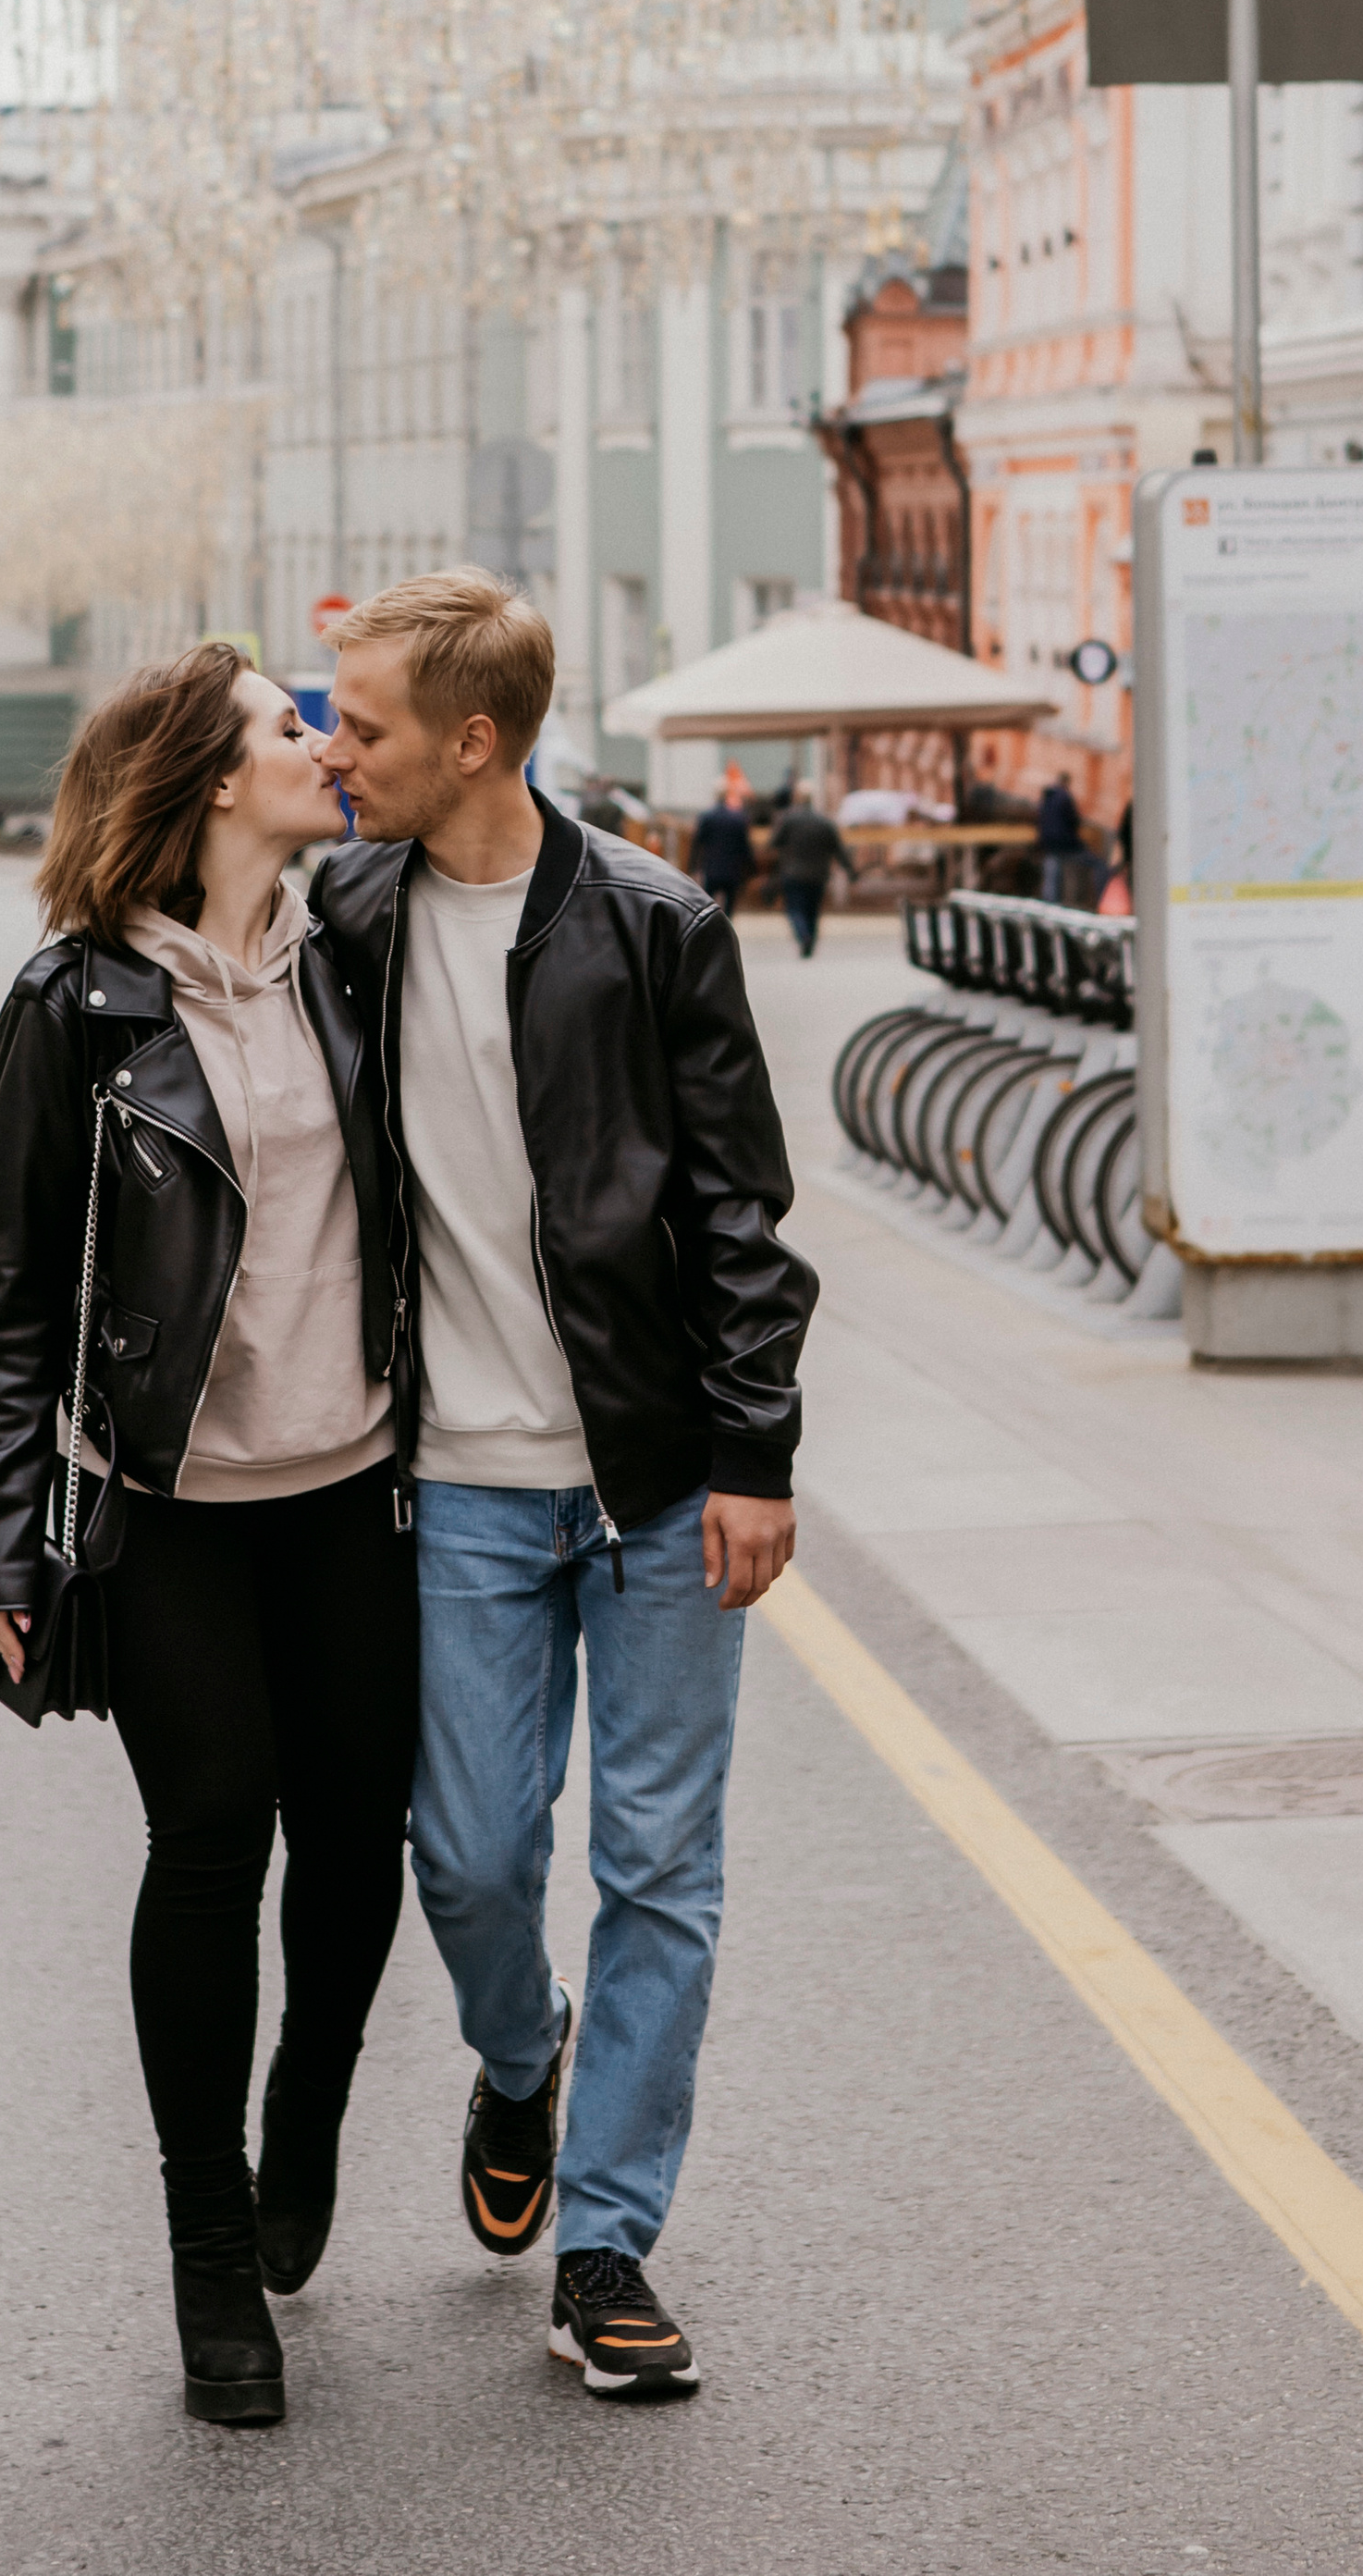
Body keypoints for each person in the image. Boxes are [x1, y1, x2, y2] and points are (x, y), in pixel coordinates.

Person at [317, 571, 816, 2401]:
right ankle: (517, 2061)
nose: (330, 748)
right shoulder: (340, 909)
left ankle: (603, 2247)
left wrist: (751, 1456)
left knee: (658, 1865)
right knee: (463, 1853)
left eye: (357, 721)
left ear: (469, 739)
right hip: (450, 1482)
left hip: (657, 1484)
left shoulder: (650, 922)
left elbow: (736, 1217)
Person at [0, 644, 416, 2433]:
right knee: (214, 1840)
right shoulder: (76, 1006)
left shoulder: (350, 953)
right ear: (213, 783)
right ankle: (212, 2250)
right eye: (290, 730)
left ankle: (312, 2102)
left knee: (360, 1841)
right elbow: (6, 1294)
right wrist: (2, 1537)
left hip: (360, 1487)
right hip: (175, 1512)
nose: (323, 745)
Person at [770, 778, 853, 959]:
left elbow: (775, 842)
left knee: (794, 908)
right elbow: (838, 849)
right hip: (818, 874)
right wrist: (850, 871)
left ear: (798, 797)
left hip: (793, 872)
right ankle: (811, 939)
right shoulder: (824, 822)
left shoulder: (789, 820)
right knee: (813, 910)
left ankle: (803, 936)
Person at [690, 777, 756, 918]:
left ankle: (712, 930)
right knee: (730, 907)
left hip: (712, 868)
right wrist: (751, 867)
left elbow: (697, 843)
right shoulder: (738, 818)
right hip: (732, 869)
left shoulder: (707, 817)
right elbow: (744, 846)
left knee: (708, 905)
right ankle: (727, 930)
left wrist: (693, 866)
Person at [1036, 770, 1084, 904]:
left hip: (1048, 841)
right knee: (1067, 871)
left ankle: (1049, 903)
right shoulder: (1065, 798)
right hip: (1064, 842)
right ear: (1067, 783)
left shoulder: (1047, 797)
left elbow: (1040, 818)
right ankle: (1067, 902)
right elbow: (1073, 820)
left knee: (1051, 872)